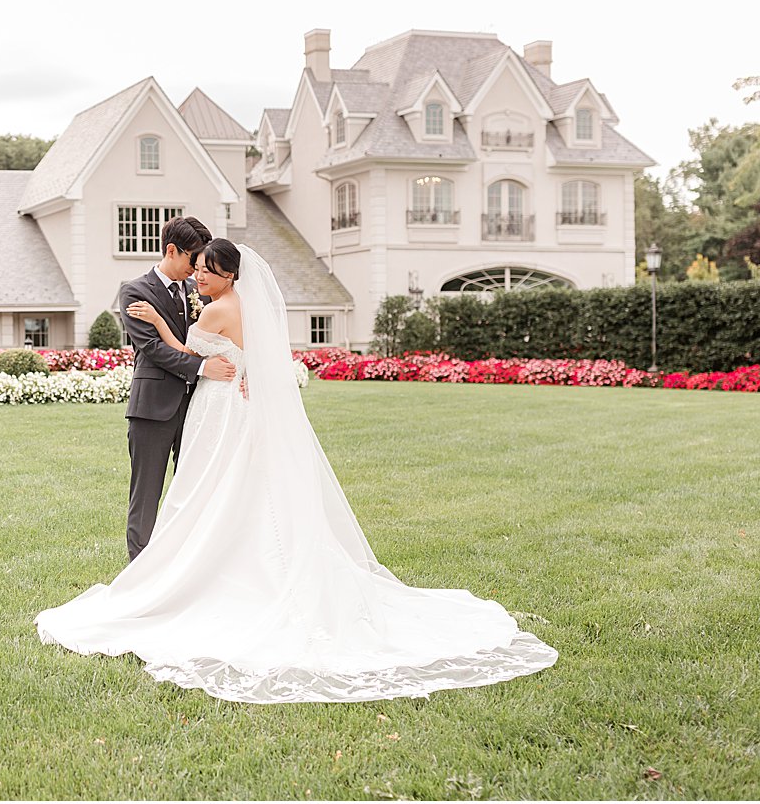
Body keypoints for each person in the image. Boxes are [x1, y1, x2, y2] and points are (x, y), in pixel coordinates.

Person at [36, 240, 558, 703]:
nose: (199, 277)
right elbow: (236, 356)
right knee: (223, 489)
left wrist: (157, 327)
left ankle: (195, 573)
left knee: (209, 489)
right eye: (197, 269)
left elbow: (190, 349)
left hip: (219, 406)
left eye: (207, 272)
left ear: (229, 277)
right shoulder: (231, 305)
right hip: (227, 402)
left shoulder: (218, 310)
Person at [114, 217, 237, 562]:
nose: (198, 270)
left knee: (193, 490)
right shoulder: (134, 291)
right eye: (193, 260)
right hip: (153, 407)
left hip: (199, 408)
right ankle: (139, 570)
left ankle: (185, 565)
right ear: (172, 250)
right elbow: (153, 348)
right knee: (146, 493)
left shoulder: (197, 291)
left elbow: (205, 340)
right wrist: (202, 367)